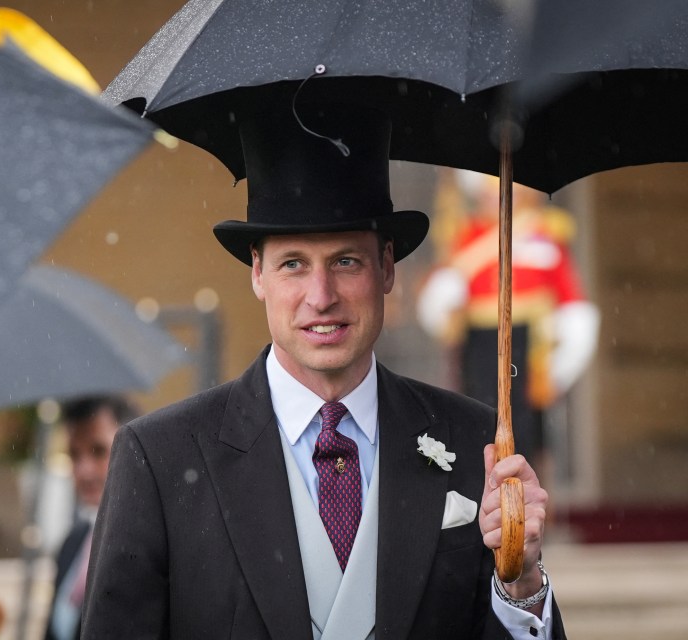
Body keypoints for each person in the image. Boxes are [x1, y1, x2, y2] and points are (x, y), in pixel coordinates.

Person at [81, 102, 566, 640]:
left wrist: (521, 584)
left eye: (345, 262)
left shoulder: (477, 440)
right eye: (293, 264)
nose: (321, 297)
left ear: (386, 268)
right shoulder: (160, 459)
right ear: (257, 273)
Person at [417, 169, 600, 465]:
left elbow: (571, 300)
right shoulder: (465, 234)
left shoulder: (544, 234)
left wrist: (561, 362)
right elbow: (443, 295)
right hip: (479, 343)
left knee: (525, 429)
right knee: (477, 421)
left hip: (529, 343)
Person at [44, 395, 140, 640]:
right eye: (74, 455)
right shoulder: (71, 544)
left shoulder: (154, 548)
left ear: (135, 449)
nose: (83, 470)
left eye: (98, 451)